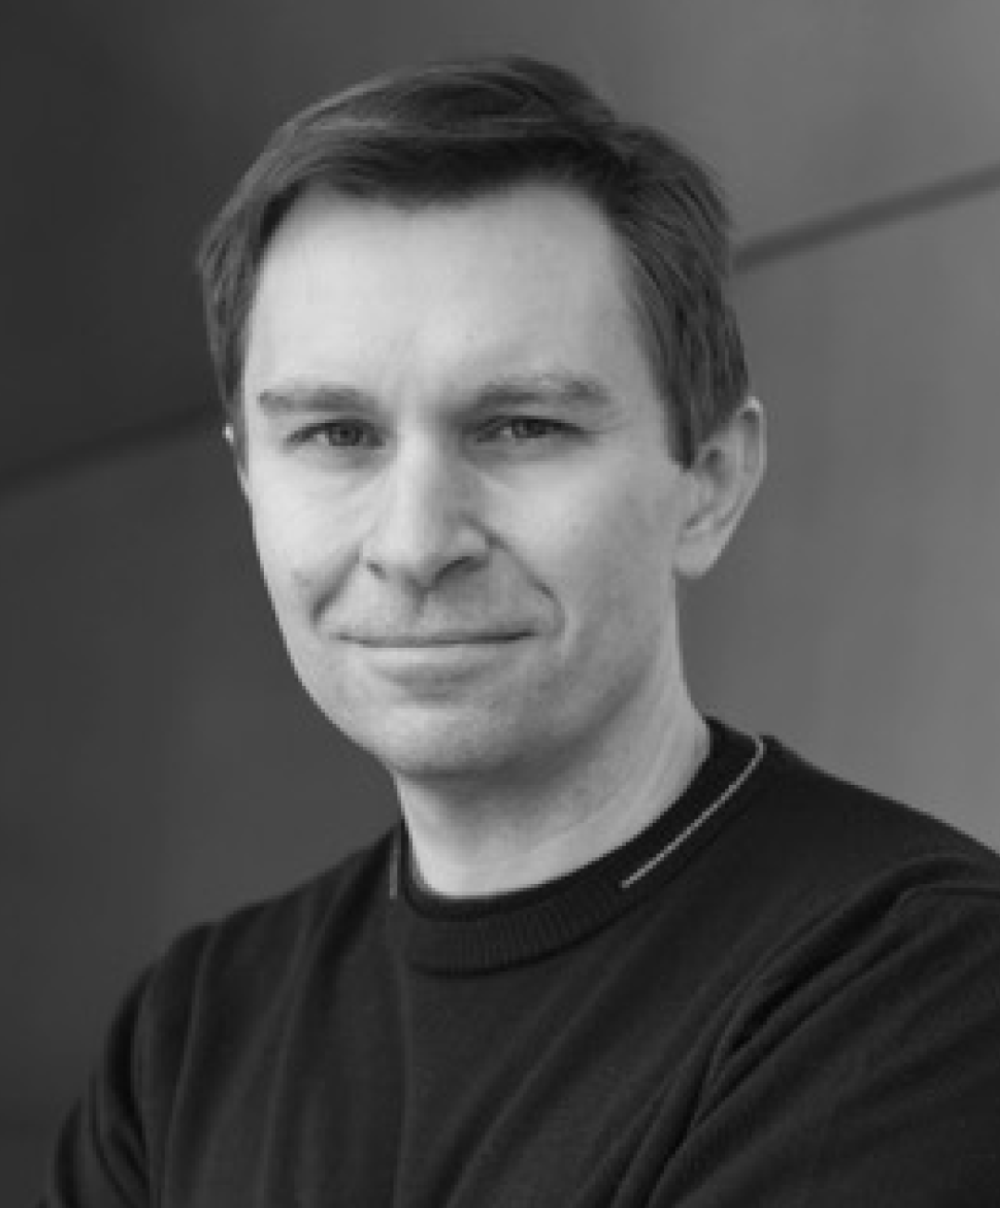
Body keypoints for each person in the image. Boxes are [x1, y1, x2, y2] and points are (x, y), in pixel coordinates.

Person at [44, 55, 1000, 1206]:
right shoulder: (191, 1032)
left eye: (520, 425)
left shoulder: (918, 986)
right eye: (338, 435)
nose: (415, 539)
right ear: (249, 474)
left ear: (706, 481)